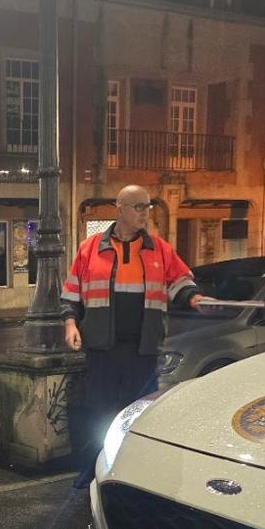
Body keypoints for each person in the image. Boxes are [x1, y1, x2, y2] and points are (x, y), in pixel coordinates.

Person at [62, 184, 209, 489]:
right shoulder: (90, 249)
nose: (145, 213)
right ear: (120, 210)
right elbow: (72, 293)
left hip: (143, 349)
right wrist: (70, 324)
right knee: (98, 411)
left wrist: (193, 298)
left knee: (137, 415)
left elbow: (180, 282)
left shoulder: (160, 250)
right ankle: (92, 470)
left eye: (148, 207)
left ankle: (131, 473)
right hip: (102, 349)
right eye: (138, 207)